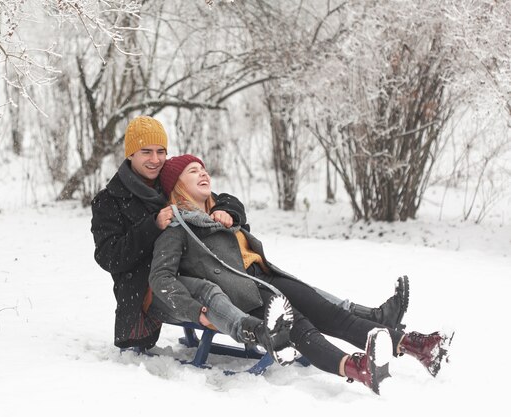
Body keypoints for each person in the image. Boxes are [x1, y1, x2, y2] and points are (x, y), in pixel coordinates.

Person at [90, 115, 407, 352]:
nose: (156, 159)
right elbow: (108, 257)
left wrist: (226, 211)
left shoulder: (164, 179)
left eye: (161, 151)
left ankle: (370, 320)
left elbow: (217, 195)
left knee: (293, 287)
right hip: (153, 291)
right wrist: (152, 226)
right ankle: (324, 341)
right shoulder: (109, 201)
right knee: (275, 292)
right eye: (146, 152)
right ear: (130, 154)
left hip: (207, 272)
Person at [148, 154, 454, 394]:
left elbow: (238, 220)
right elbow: (160, 278)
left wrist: (228, 215)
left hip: (265, 275)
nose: (203, 173)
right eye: (192, 171)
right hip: (242, 291)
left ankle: (419, 346)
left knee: (334, 315)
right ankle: (355, 368)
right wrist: (197, 310)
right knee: (301, 328)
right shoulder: (176, 228)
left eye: (203, 169)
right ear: (176, 185)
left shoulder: (223, 213)